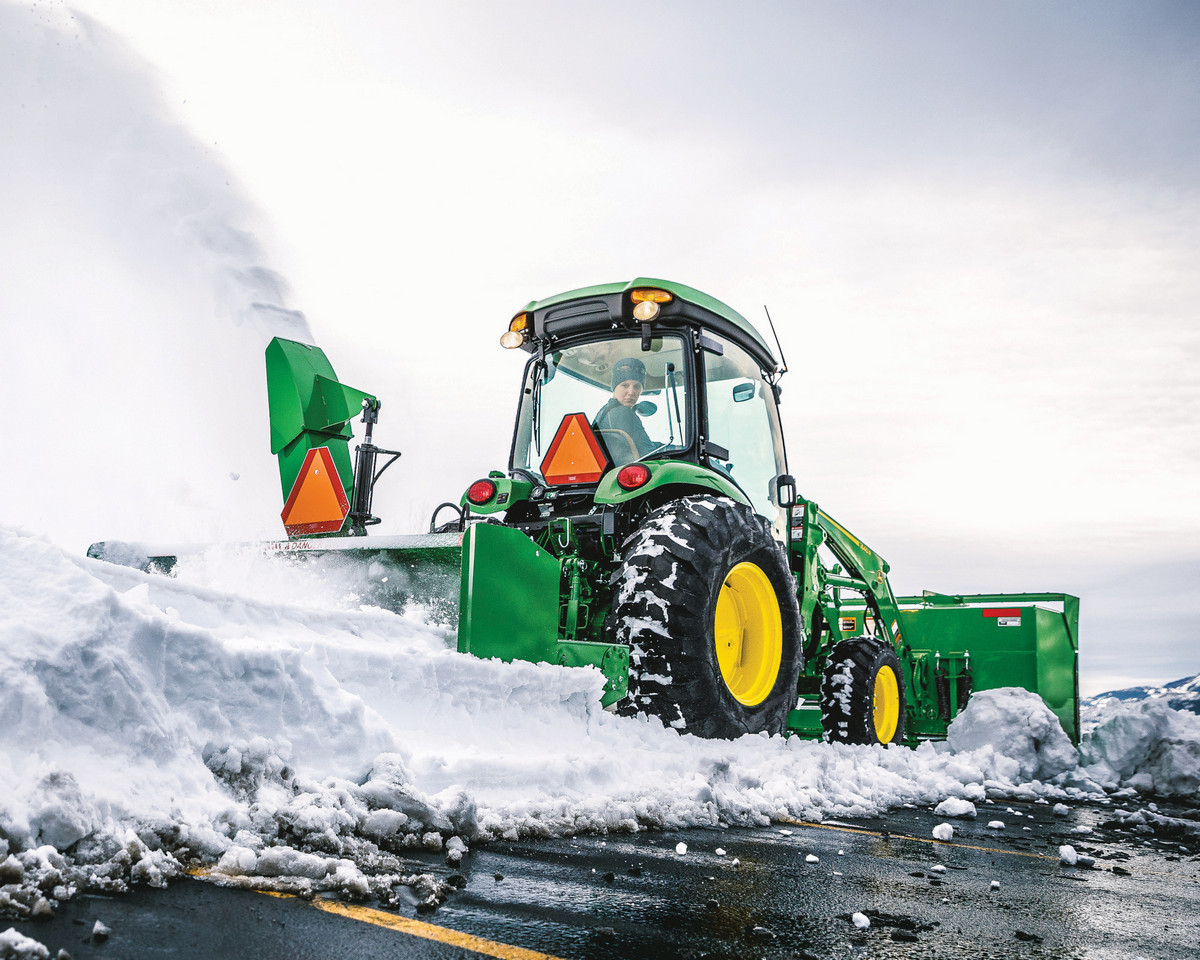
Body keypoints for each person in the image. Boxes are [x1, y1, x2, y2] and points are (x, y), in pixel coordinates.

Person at [593, 357, 656, 461]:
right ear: (614, 388)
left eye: (636, 387)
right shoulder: (622, 412)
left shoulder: (604, 412)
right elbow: (649, 453)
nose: (631, 392)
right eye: (625, 385)